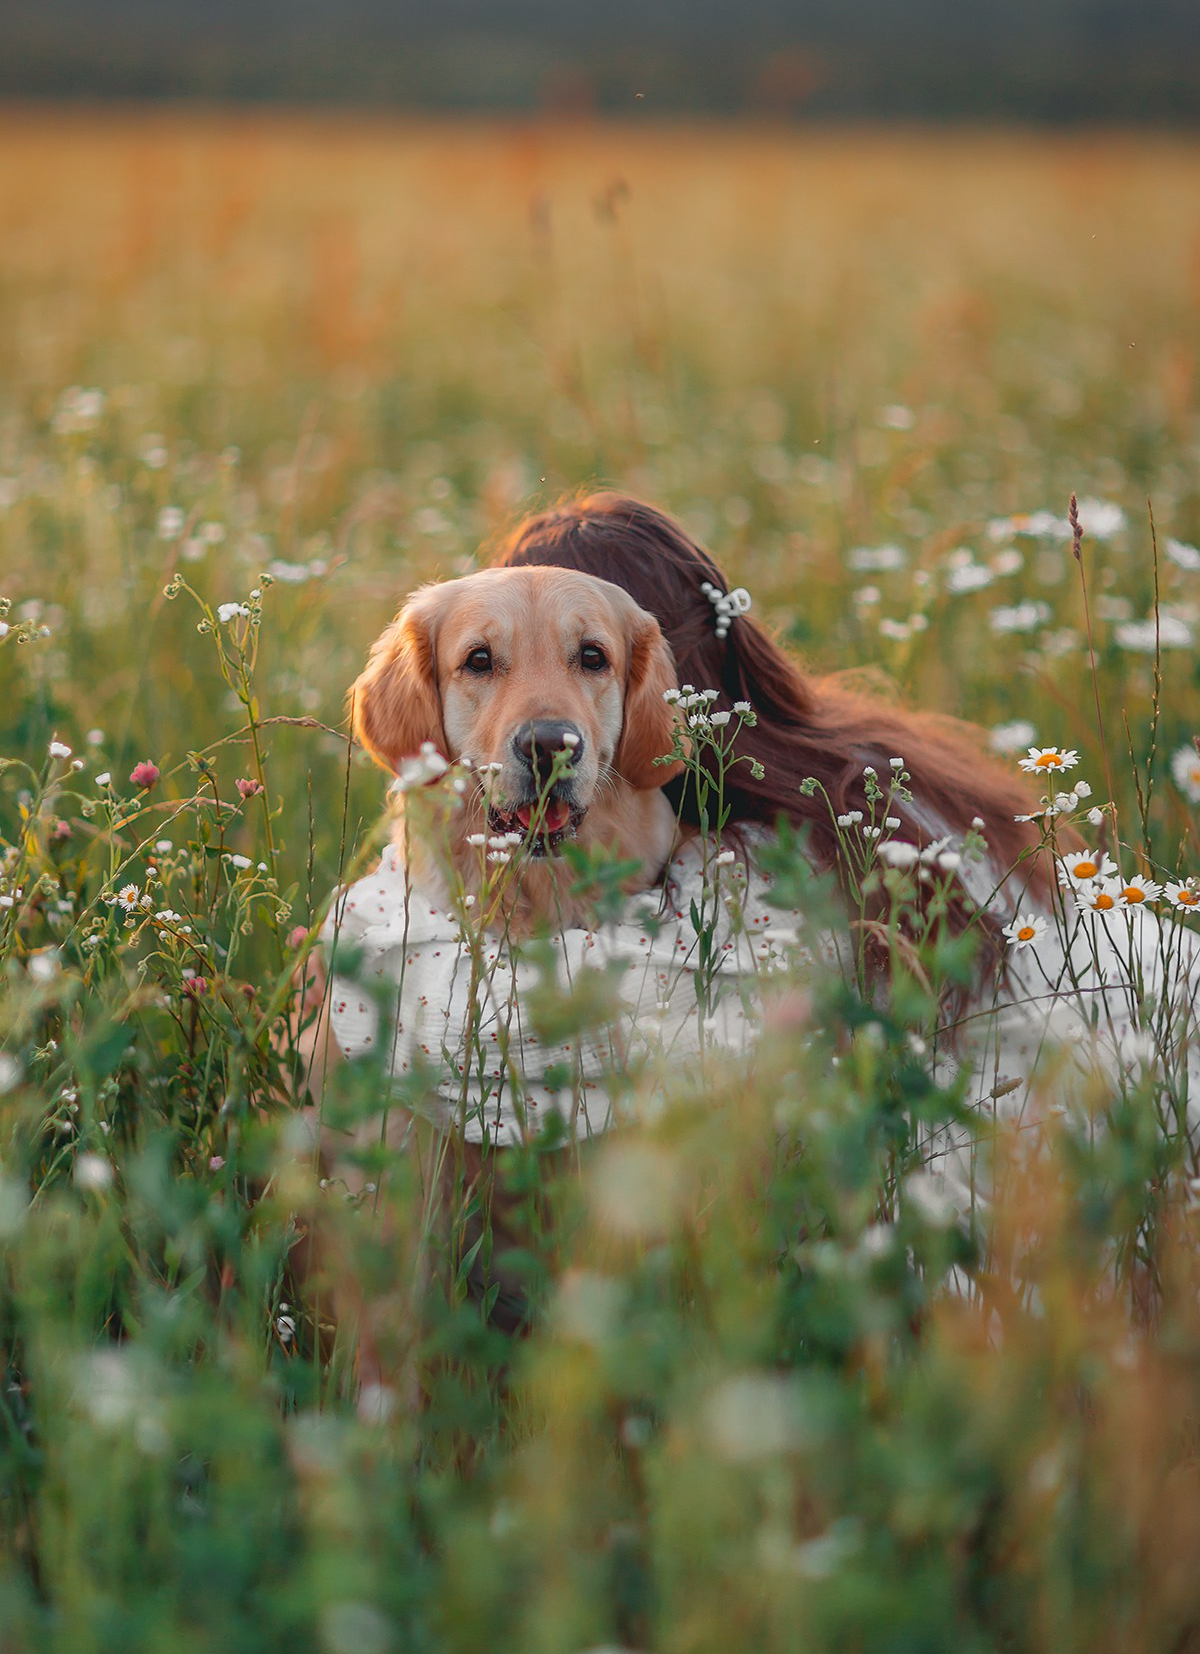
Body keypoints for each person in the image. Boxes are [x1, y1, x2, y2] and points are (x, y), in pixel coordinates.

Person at [305, 492, 1200, 1288]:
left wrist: (346, 943)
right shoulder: (850, 762)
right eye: (488, 661)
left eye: (586, 659)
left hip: (1084, 1204)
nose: (548, 710)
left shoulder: (775, 863)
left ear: (658, 683)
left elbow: (528, 1047)